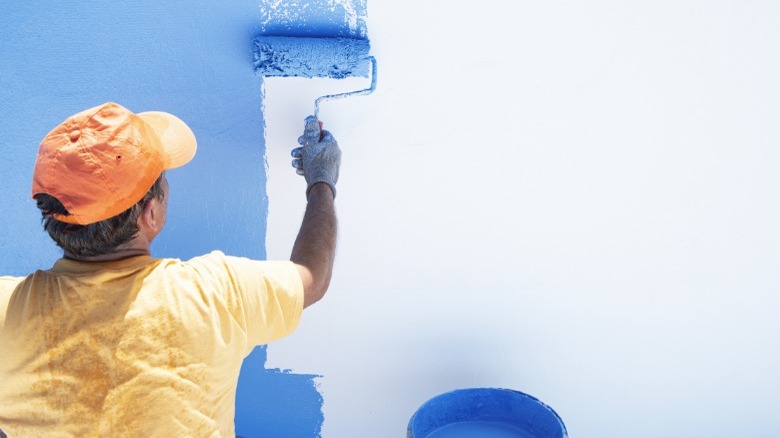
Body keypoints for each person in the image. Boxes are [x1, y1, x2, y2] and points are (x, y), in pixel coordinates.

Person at [0, 102, 341, 436]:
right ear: (149, 214)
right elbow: (311, 276)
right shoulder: (214, 294)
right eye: (162, 182)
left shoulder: (7, 310)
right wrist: (321, 182)